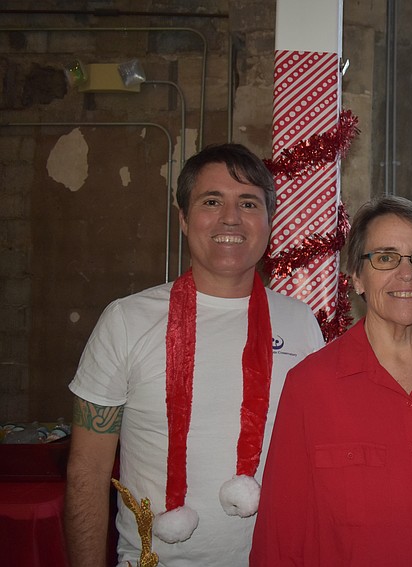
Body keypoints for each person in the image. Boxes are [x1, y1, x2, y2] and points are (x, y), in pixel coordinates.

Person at [64, 143, 325, 567]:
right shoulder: (126, 321)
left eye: (248, 203)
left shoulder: (301, 323)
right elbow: (86, 473)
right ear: (184, 218)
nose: (230, 218)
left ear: (269, 222)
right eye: (211, 201)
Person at [250, 195, 412, 567]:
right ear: (356, 276)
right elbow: (280, 536)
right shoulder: (311, 386)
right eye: (385, 258)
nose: (406, 274)